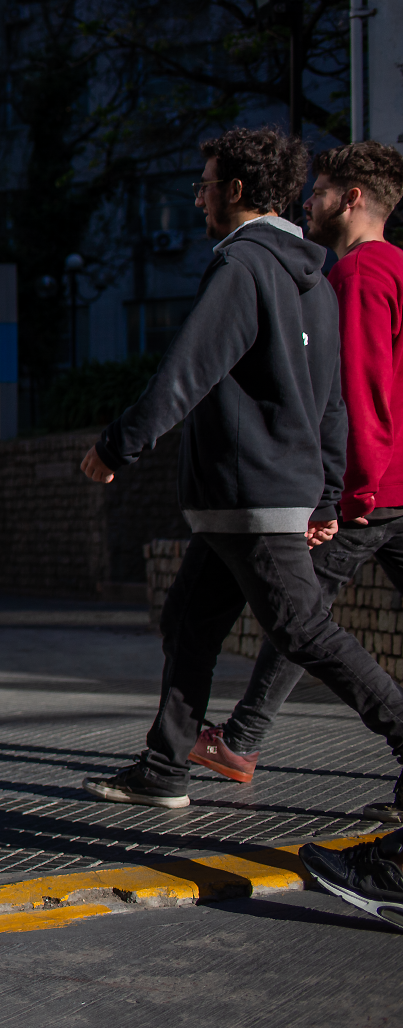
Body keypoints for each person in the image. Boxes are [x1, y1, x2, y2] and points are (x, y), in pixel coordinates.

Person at [77, 126, 403, 812]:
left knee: (303, 630)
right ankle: (165, 767)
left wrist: (117, 446)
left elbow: (186, 370)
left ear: (234, 189)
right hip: (253, 496)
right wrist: (325, 492)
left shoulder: (244, 266)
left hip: (251, 494)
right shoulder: (312, 273)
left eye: (204, 186)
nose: (198, 201)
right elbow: (333, 399)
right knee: (189, 621)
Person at [191, 142, 403, 820]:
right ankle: (242, 739)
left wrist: (348, 493)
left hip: (372, 490)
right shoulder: (398, 266)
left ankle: (242, 741)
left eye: (318, 191)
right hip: (399, 482)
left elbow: (358, 391)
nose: (305, 203)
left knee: (300, 617)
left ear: (352, 200)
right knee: (304, 616)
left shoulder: (356, 276)